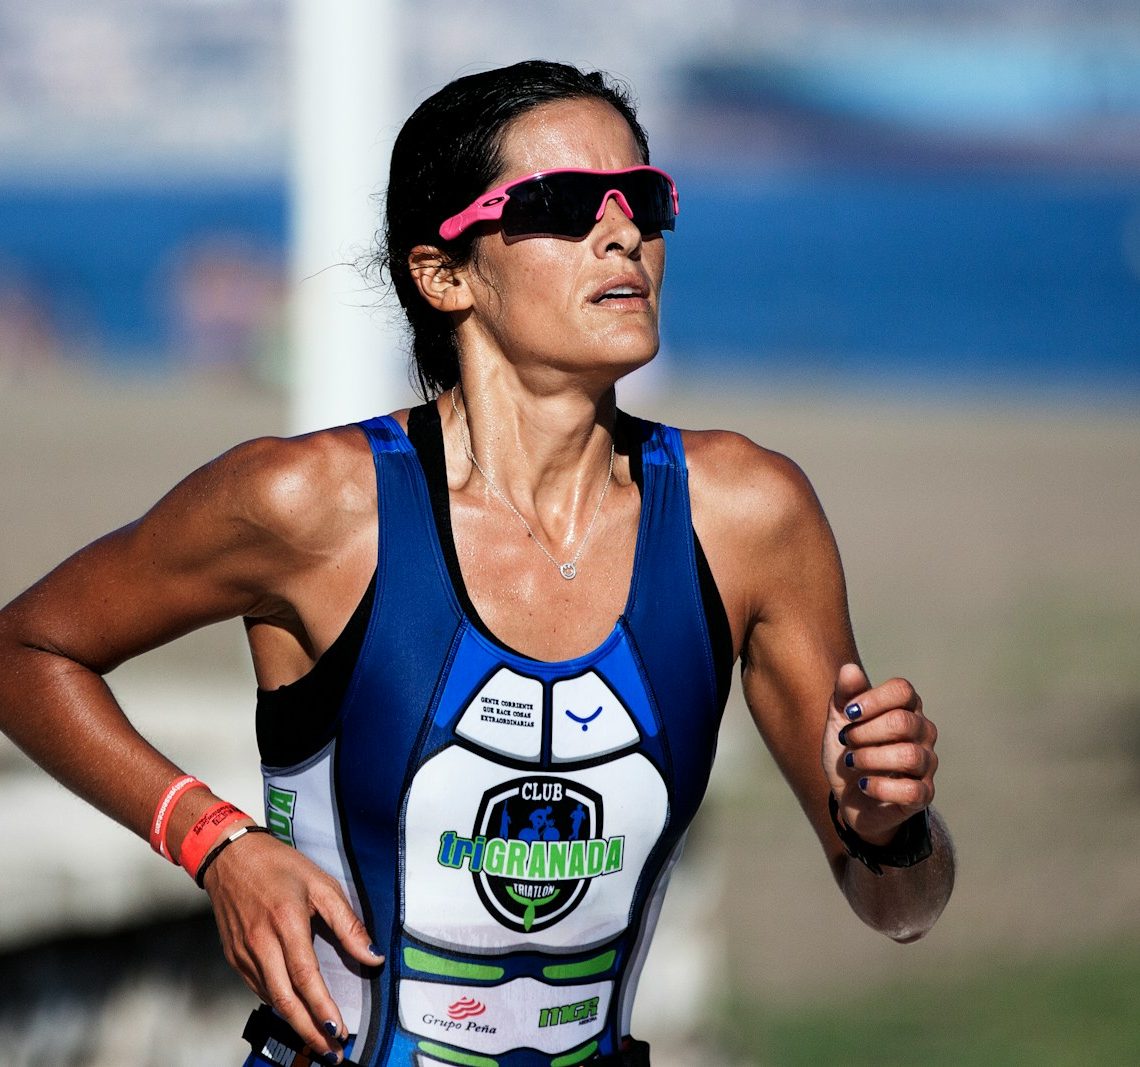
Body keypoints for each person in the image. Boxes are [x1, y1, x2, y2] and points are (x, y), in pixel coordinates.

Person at [0, 60, 954, 1067]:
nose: (624, 229)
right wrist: (214, 840)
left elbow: (902, 907)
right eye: (563, 203)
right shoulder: (313, 506)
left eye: (647, 199)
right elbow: (26, 647)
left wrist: (893, 829)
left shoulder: (746, 514)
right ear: (445, 272)